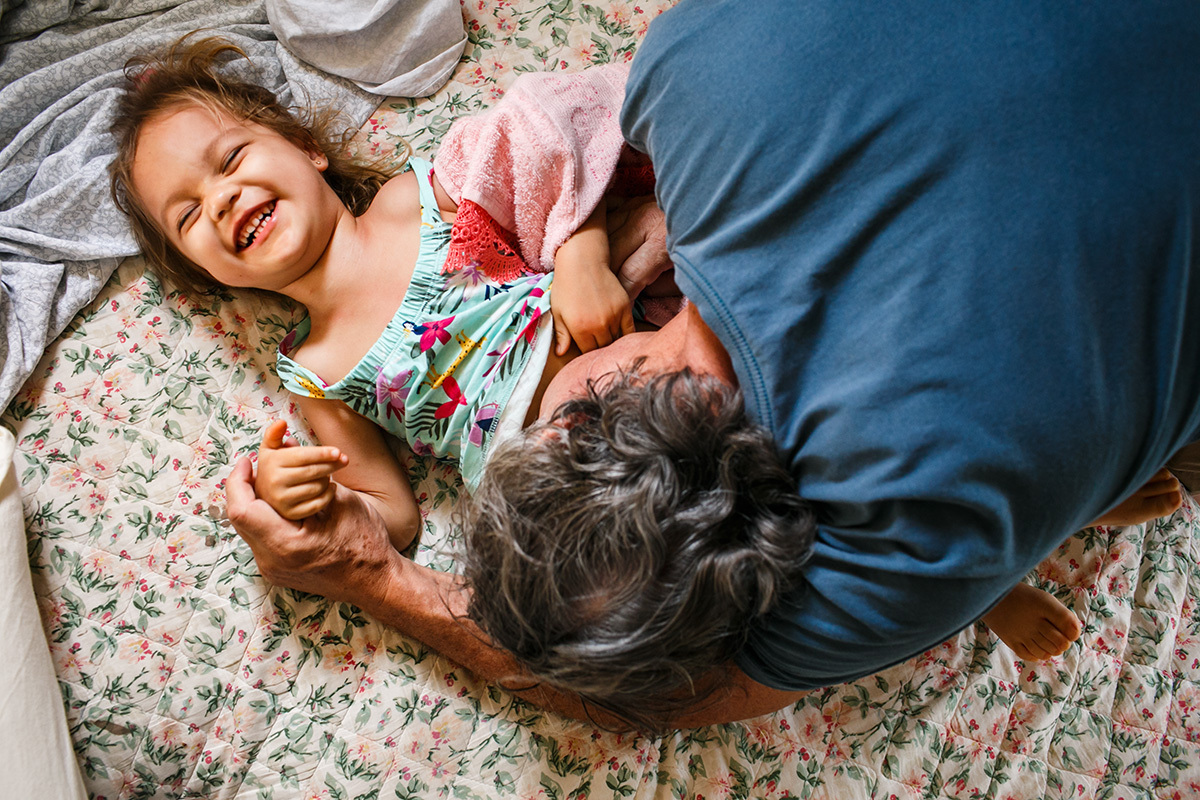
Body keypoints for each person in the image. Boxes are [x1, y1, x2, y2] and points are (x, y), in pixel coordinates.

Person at [227, 0, 1200, 730]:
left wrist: (370, 576)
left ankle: (1076, 496)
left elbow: (673, 697)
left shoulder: (908, 532)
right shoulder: (693, 72)